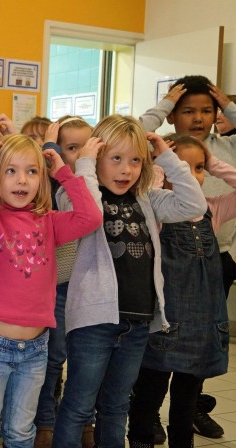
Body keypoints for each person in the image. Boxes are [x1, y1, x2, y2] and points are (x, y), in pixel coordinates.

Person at [52, 115, 207, 447]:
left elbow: (194, 204)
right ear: (96, 160)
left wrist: (166, 156)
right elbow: (91, 214)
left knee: (116, 406)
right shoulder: (74, 195)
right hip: (94, 323)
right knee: (79, 407)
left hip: (136, 323)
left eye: (136, 160)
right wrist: (86, 167)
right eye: (116, 159)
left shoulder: (147, 199)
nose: (126, 169)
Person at [0, 133, 102, 447]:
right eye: (10, 171)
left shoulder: (49, 221)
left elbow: (90, 217)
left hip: (36, 349)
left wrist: (64, 172)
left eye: (31, 171)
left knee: (21, 432)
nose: (21, 180)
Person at [139, 76, 236, 438]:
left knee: (193, 368)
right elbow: (129, 133)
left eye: (207, 110)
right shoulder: (157, 190)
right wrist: (165, 145)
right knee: (154, 372)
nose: (198, 117)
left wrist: (211, 161)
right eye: (187, 110)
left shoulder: (224, 148)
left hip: (213, 269)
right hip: (167, 291)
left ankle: (191, 411)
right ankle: (147, 421)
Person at [33, 116, 95, 448]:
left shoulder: (95, 187)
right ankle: (45, 422)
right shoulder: (53, 188)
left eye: (86, 149)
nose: (78, 156)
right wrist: (51, 151)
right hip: (57, 288)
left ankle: (85, 421)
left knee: (86, 360)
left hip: (87, 289)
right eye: (70, 148)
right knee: (53, 358)